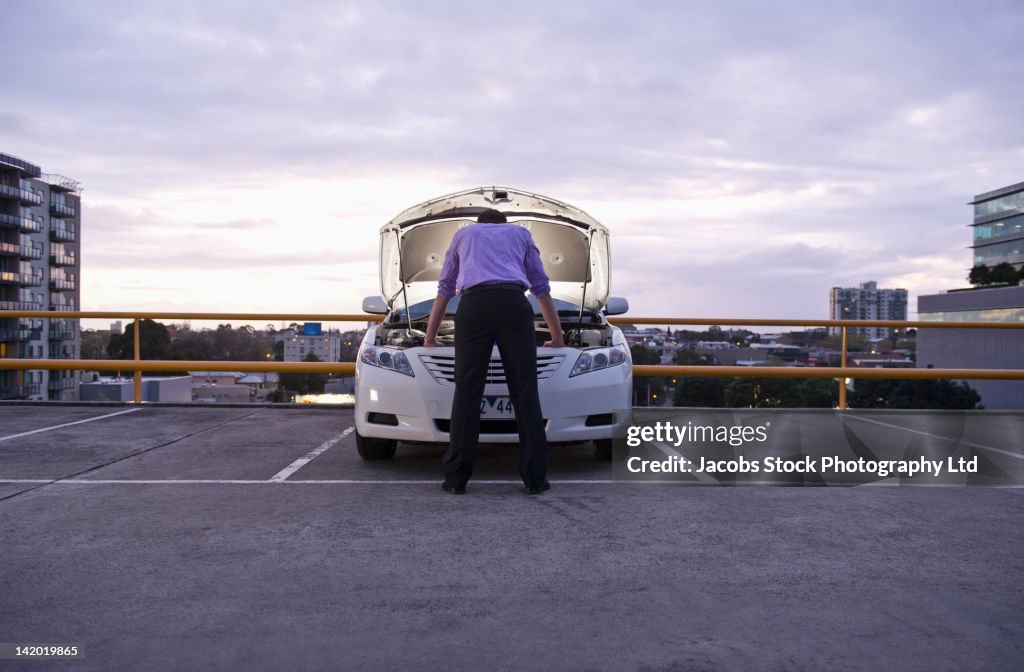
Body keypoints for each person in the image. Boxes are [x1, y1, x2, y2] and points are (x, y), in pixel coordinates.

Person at [424, 209, 564, 495]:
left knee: (467, 391)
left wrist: (430, 337)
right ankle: (535, 479)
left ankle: (455, 479)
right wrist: (557, 336)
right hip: (513, 305)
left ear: (480, 224)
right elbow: (540, 286)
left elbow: (445, 288)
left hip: (474, 307)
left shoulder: (463, 234)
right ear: (503, 223)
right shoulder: (521, 234)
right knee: (525, 391)